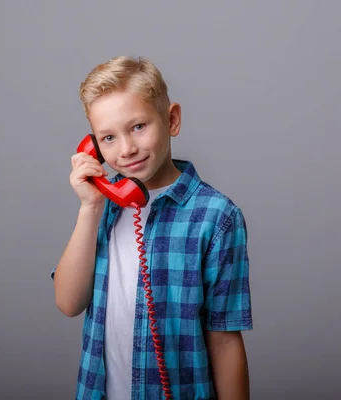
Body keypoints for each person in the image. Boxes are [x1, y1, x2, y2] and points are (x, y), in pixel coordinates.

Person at [51, 56, 253, 400]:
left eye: (138, 127)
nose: (126, 149)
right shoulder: (103, 208)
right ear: (93, 146)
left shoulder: (216, 217)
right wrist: (90, 206)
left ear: (171, 119)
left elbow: (223, 339)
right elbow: (69, 303)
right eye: (108, 138)